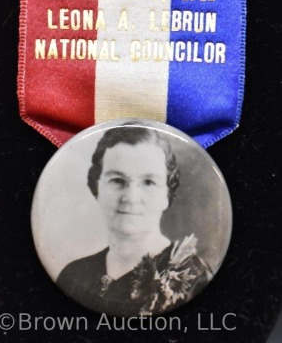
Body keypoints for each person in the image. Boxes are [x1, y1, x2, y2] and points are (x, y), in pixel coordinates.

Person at [57, 122, 212, 316]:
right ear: (97, 188)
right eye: (117, 180)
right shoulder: (74, 275)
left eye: (149, 182)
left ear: (167, 194)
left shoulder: (194, 278)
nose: (130, 197)